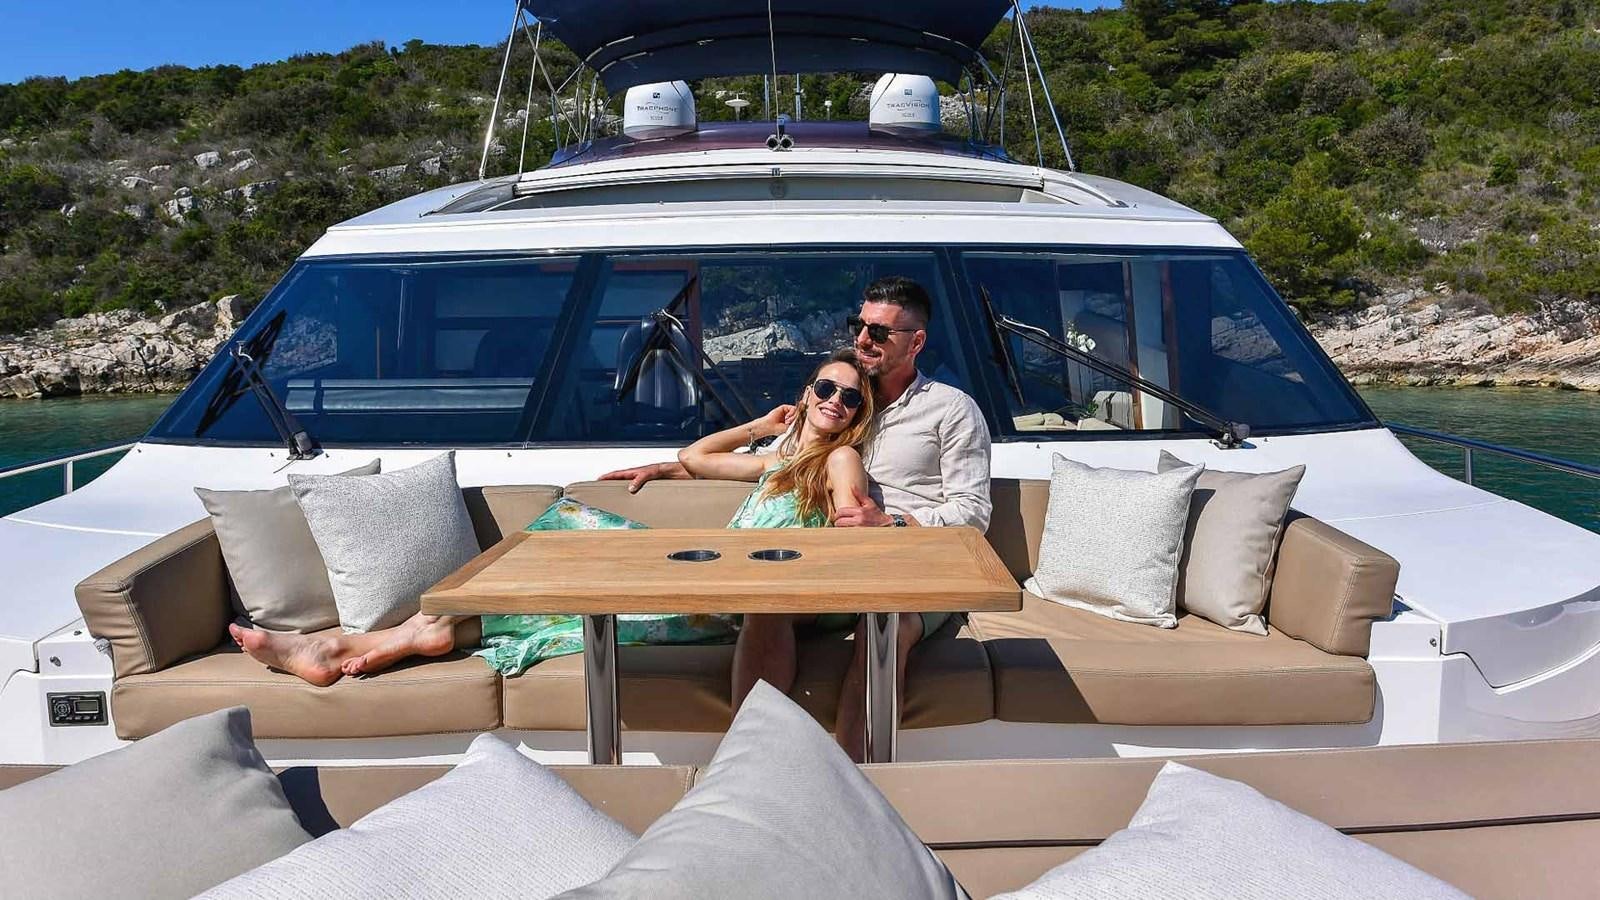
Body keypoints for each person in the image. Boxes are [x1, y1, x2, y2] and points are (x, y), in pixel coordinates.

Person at [227, 350, 879, 703]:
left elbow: (852, 517)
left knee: (566, 531)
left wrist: (867, 523)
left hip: (736, 598)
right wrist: (761, 427)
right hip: (712, 581)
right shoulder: (781, 462)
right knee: (548, 593)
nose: (835, 402)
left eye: (849, 398)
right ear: (808, 391)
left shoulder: (839, 459)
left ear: (856, 416)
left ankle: (351, 644)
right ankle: (356, 643)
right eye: (825, 388)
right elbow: (697, 457)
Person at [602, 275, 992, 759]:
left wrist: (891, 526)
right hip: (837, 564)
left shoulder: (951, 410)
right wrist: (668, 469)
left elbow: (973, 513)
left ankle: (854, 778)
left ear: (916, 343)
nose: (863, 339)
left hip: (914, 565)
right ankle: (748, 762)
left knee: (886, 624)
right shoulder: (844, 399)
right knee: (768, 605)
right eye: (858, 326)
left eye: (879, 332)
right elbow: (784, 463)